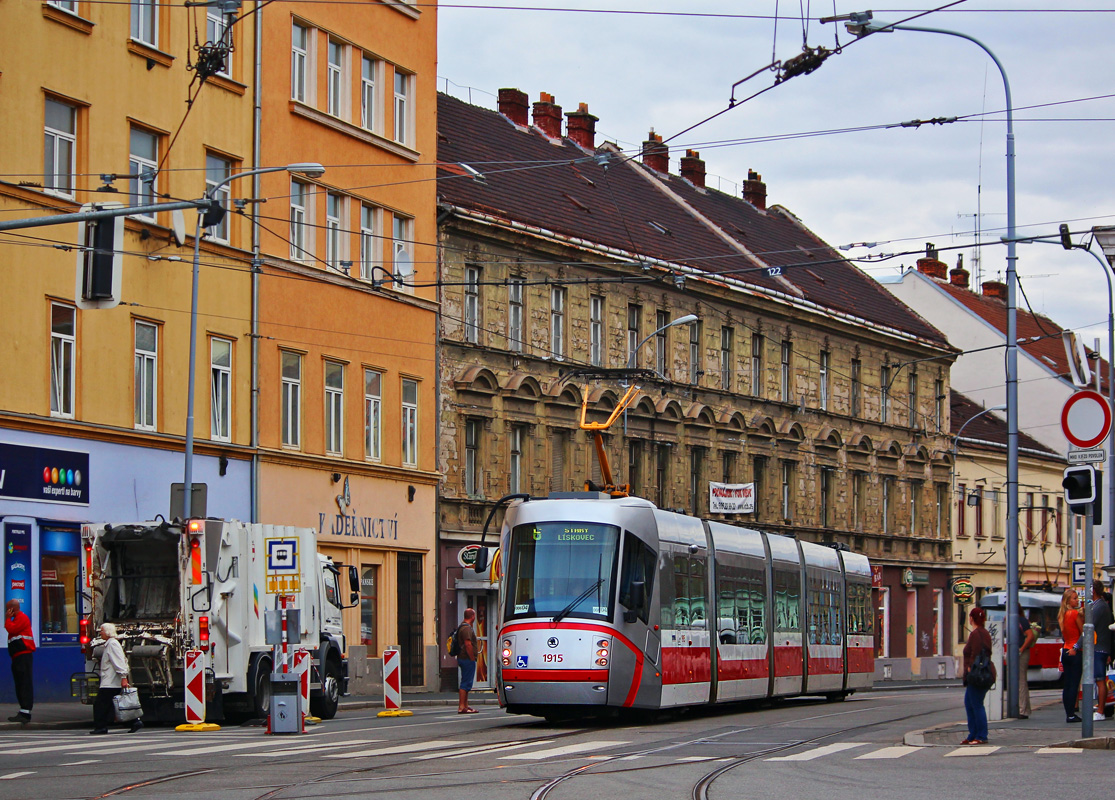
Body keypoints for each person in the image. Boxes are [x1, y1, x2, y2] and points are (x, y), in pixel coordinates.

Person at [91, 622, 142, 734]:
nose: (100, 633)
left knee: (100, 705)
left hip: (111, 682)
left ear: (108, 632)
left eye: (102, 631)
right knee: (115, 704)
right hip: (111, 681)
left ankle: (101, 727)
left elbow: (119, 662)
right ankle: (134, 722)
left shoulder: (112, 644)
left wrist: (124, 677)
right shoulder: (110, 644)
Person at [961, 606, 994, 745]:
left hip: (977, 674)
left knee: (976, 704)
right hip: (983, 673)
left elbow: (976, 653)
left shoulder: (976, 634)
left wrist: (970, 668)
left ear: (971, 618)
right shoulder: (984, 632)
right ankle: (973, 734)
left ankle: (980, 735)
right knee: (970, 703)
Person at [4, 600, 35, 724]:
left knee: (24, 683)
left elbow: (12, 629)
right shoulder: (17, 619)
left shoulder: (21, 618)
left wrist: (7, 619)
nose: (6, 612)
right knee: (20, 683)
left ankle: (26, 712)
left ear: (11, 609)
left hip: (23, 656)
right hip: (18, 657)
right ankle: (23, 711)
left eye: (7, 609)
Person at [1058, 587, 1084, 723]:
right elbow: (1083, 632)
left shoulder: (1062, 615)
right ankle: (1071, 714)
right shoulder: (1074, 614)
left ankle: (1068, 713)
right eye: (1075, 598)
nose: (1077, 600)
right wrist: (1076, 647)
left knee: (1067, 684)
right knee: (1074, 684)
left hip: (1066, 650)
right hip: (1075, 651)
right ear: (1068, 600)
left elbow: (1064, 635)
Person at [1091, 581, 1114, 721]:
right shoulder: (1100, 606)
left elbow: (1090, 627)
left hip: (1099, 648)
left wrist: (1076, 646)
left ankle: (1101, 710)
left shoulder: (1099, 607)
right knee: (1098, 679)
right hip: (1101, 648)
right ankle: (1100, 707)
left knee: (1099, 680)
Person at [455, 608, 480, 714]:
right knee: (465, 683)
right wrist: (471, 658)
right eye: (474, 615)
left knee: (467, 682)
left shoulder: (463, 627)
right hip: (466, 658)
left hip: (463, 658)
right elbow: (468, 644)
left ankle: (465, 705)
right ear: (472, 616)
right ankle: (461, 706)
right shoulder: (466, 629)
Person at [1017, 605, 1037, 719]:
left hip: (1021, 652)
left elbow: (1030, 636)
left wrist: (1021, 649)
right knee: (1019, 681)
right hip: (1017, 652)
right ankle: (1023, 708)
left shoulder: (1021, 620)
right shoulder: (1013, 620)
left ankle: (1023, 709)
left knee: (1021, 681)